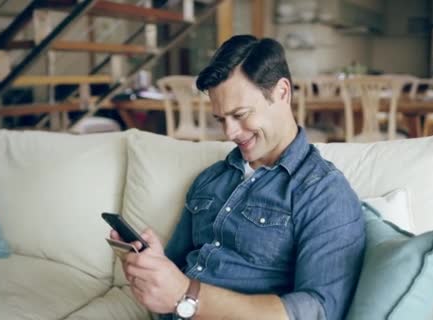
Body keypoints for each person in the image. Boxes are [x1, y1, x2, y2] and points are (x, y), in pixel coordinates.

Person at [111, 35, 365, 320]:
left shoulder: (323, 192)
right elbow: (177, 271)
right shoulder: (211, 179)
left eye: (240, 114)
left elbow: (319, 310)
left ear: (282, 92)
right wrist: (154, 266)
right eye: (221, 119)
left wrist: (188, 295)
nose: (230, 133)